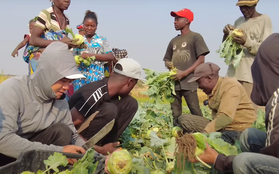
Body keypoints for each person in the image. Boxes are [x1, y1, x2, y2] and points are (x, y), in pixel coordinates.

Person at [0, 42, 114, 168]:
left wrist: (100, 159)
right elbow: (3, 139)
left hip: (32, 153)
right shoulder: (12, 90)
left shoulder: (60, 101)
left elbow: (73, 136)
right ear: (47, 74)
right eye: (63, 80)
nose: (66, 87)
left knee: (62, 131)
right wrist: (58, 151)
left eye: (69, 82)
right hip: (6, 155)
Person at [193, 33, 279, 174]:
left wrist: (219, 160)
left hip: (235, 128)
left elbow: (225, 117)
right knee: (249, 136)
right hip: (229, 128)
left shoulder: (231, 85)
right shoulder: (215, 89)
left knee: (242, 161)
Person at [68, 58, 142, 146]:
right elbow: (67, 127)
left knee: (130, 103)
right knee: (110, 109)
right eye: (135, 84)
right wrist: (92, 148)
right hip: (73, 139)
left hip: (86, 135)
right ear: (130, 82)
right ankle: (90, 151)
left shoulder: (111, 93)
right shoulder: (94, 93)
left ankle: (107, 145)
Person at [179, 62, 256, 144]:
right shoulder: (212, 90)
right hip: (222, 127)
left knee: (224, 139)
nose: (199, 86)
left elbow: (225, 117)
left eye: (199, 82)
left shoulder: (230, 85)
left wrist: (205, 132)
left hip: (239, 129)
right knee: (184, 120)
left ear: (208, 78)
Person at [223, 0, 272, 112]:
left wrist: (246, 41)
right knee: (230, 110)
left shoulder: (264, 20)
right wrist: (226, 34)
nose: (244, 9)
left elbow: (266, 49)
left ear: (255, 5)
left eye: (247, 6)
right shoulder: (239, 21)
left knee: (248, 111)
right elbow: (229, 47)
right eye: (241, 7)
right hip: (233, 73)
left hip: (250, 74)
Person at [163, 8, 210, 126]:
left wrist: (184, 73)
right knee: (175, 113)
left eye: (178, 19)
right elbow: (166, 58)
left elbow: (201, 59)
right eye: (174, 19)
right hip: (174, 84)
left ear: (187, 21)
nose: (175, 21)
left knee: (195, 110)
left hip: (189, 82)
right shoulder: (173, 40)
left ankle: (203, 134)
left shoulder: (195, 37)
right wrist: (168, 64)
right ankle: (178, 135)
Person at [27, 0, 80, 75]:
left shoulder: (66, 19)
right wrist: (60, 43)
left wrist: (73, 44)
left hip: (56, 63)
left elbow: (63, 43)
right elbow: (33, 40)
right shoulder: (46, 14)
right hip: (42, 63)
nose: (67, 1)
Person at [71, 10, 115, 94]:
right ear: (83, 25)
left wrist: (92, 55)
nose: (89, 28)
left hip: (96, 80)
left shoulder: (102, 40)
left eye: (92, 26)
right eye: (87, 25)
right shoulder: (78, 41)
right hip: (80, 81)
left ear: (96, 26)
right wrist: (79, 59)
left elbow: (110, 56)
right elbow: (73, 59)